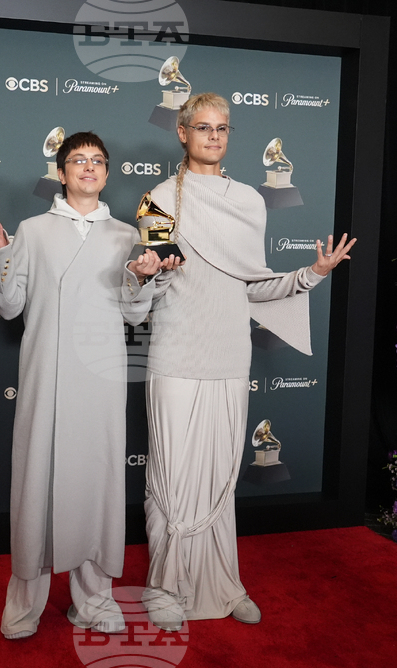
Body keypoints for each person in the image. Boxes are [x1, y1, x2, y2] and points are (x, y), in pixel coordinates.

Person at [140, 93, 356, 630]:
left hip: (230, 355)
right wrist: (147, 272)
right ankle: (165, 587)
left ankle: (223, 583)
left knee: (218, 477)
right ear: (182, 133)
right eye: (203, 127)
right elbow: (159, 279)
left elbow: (253, 287)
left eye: (223, 128)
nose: (214, 136)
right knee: (172, 474)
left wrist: (313, 274)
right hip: (175, 353)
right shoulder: (158, 200)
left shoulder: (249, 202)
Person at [0, 131, 174, 639]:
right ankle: (24, 602)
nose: (88, 168)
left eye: (97, 161)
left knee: (99, 481)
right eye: (77, 161)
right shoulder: (32, 229)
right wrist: (2, 253)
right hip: (45, 374)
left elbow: (135, 312)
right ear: (61, 172)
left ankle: (93, 600)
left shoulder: (126, 236)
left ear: (107, 172)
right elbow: (10, 306)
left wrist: (143, 277)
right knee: (36, 484)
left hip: (102, 377)